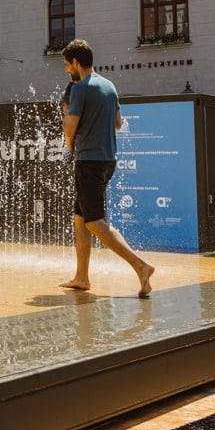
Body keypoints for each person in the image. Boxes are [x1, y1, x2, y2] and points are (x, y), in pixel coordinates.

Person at [61, 39, 155, 298]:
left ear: (76, 62)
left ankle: (141, 266)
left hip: (88, 161)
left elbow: (69, 129)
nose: (67, 70)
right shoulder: (109, 86)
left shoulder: (80, 89)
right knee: (80, 218)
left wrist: (68, 129)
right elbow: (117, 124)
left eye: (67, 65)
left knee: (94, 222)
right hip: (107, 160)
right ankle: (81, 277)